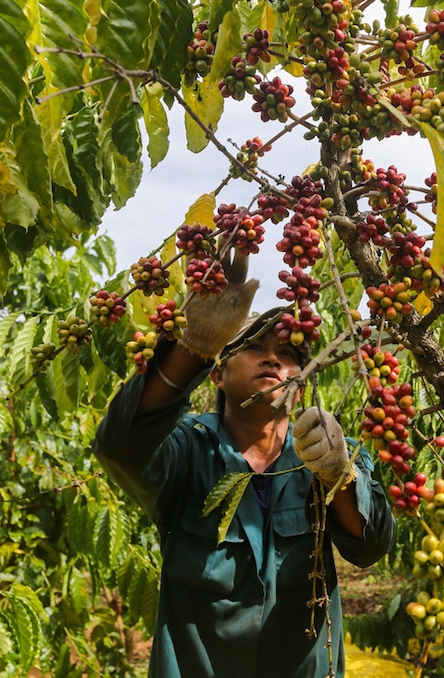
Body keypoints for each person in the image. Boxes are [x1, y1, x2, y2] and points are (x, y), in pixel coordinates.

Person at [92, 252, 396, 676]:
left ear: (302, 376)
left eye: (289, 354)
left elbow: (371, 546)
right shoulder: (187, 449)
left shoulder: (333, 450)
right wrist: (192, 346)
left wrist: (337, 475)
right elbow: (120, 446)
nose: (273, 360)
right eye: (253, 348)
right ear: (217, 374)